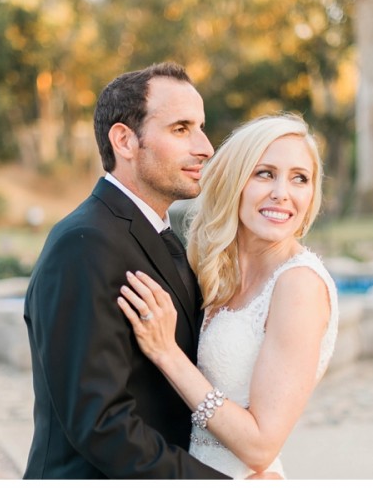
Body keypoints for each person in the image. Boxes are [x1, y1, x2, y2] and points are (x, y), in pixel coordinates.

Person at [22, 62, 228, 479]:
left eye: (201, 127)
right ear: (125, 140)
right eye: (181, 128)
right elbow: (100, 424)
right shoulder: (84, 245)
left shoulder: (162, 235)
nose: (206, 147)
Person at [117, 113, 339, 479]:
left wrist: (167, 354)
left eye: (300, 178)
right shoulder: (214, 268)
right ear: (234, 180)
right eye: (264, 173)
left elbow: (260, 446)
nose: (282, 193)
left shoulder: (299, 285)